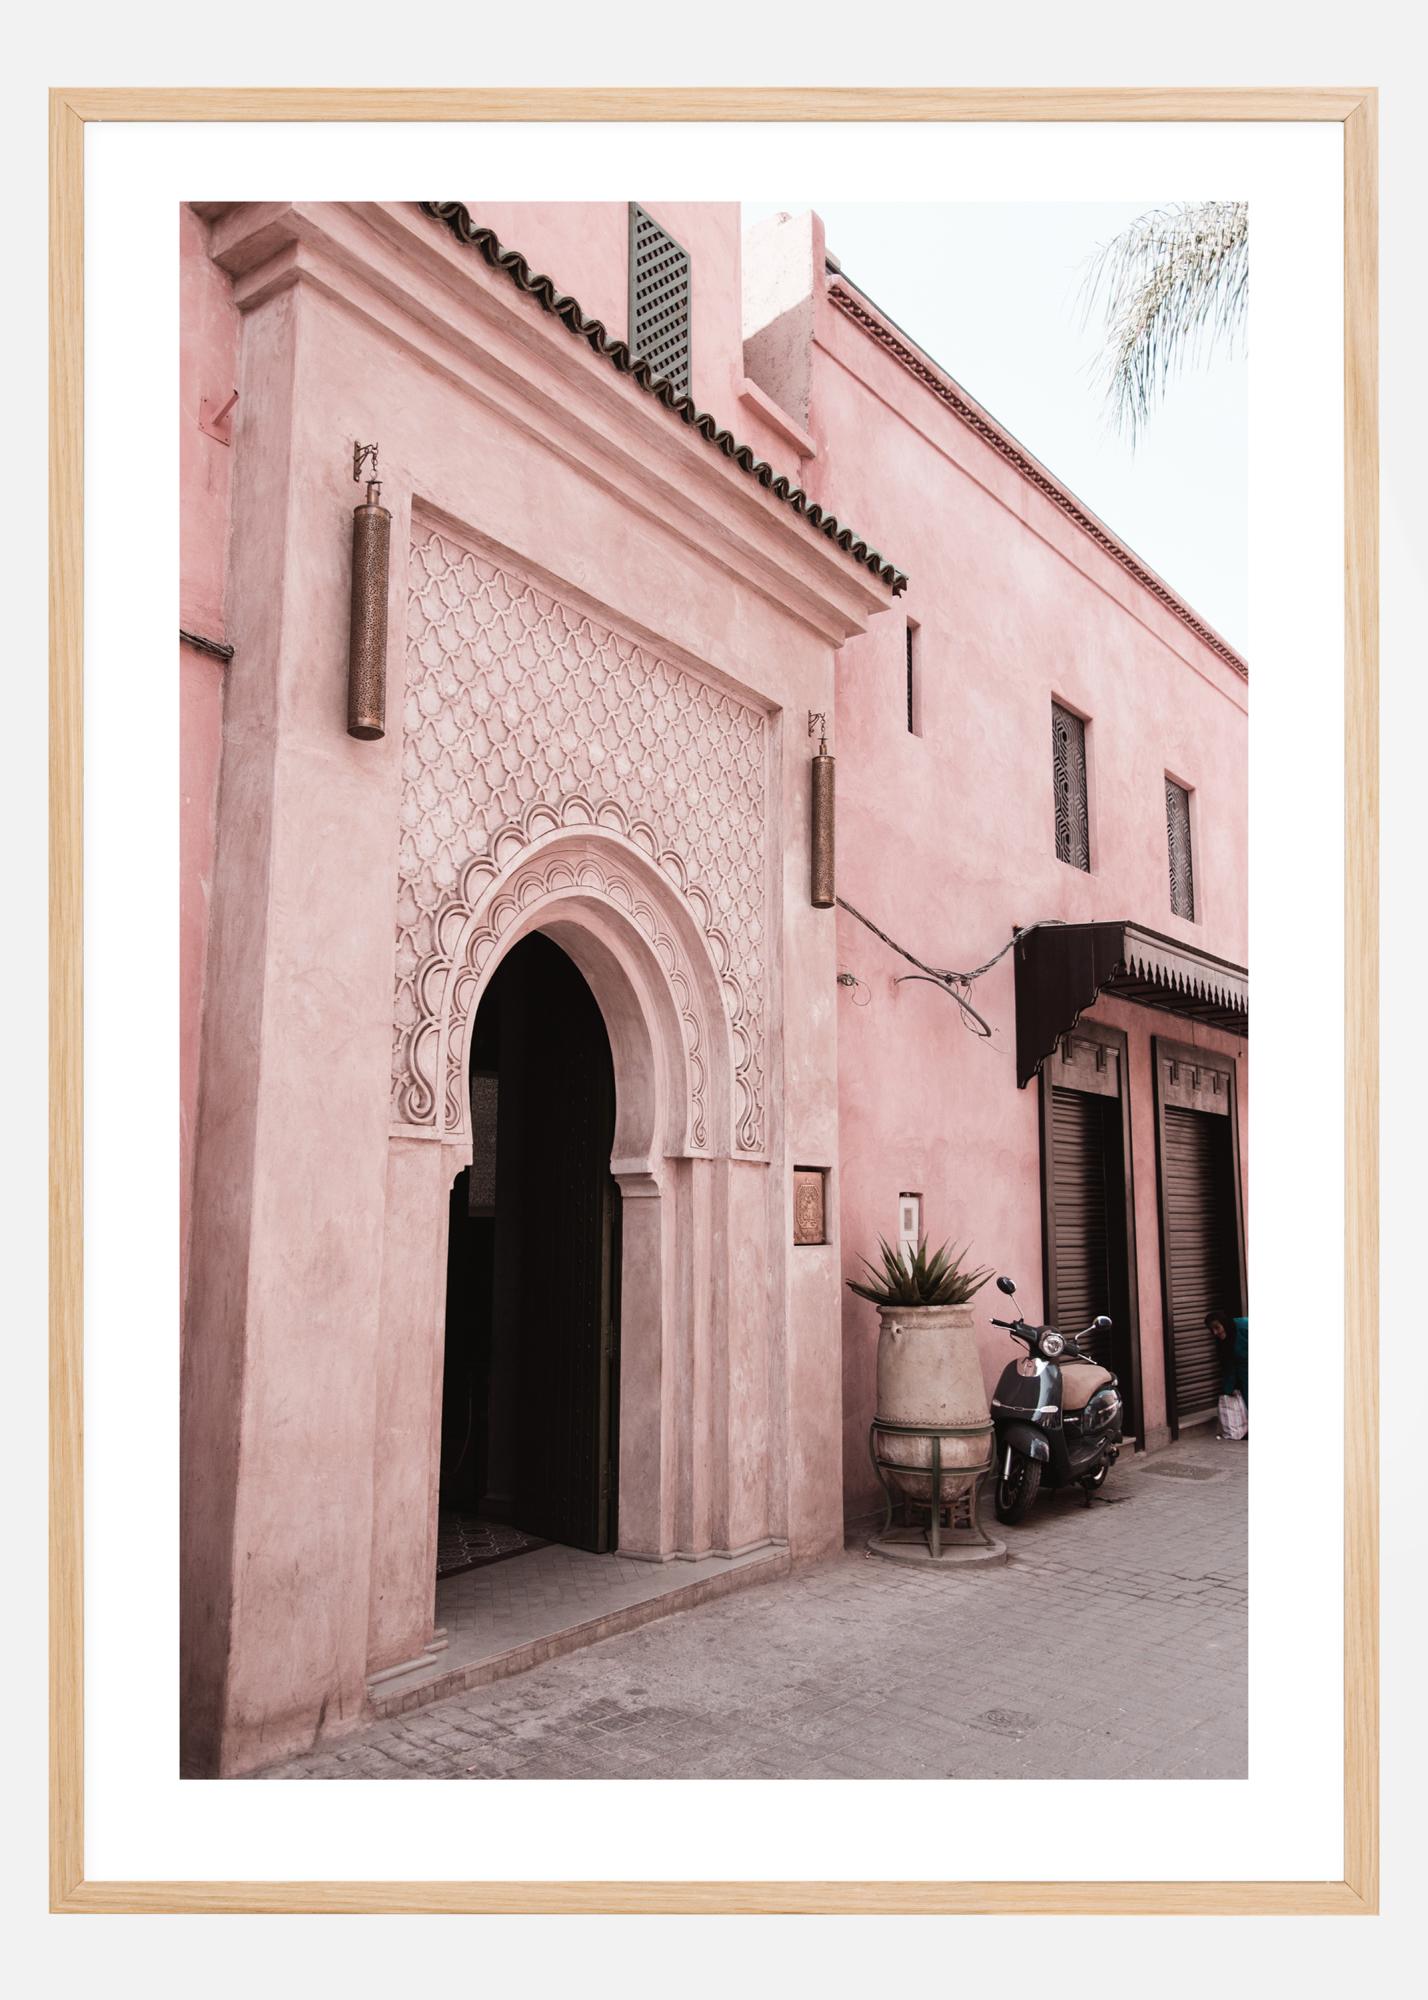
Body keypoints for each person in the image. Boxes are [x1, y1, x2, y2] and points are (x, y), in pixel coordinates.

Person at [1206, 1308, 1248, 1427]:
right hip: (1244, 1377)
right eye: (1211, 1330)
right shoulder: (1222, 1342)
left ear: (1225, 1323)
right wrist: (1227, 1391)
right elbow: (1228, 1366)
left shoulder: (1244, 1326)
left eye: (1217, 1327)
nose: (1215, 1332)